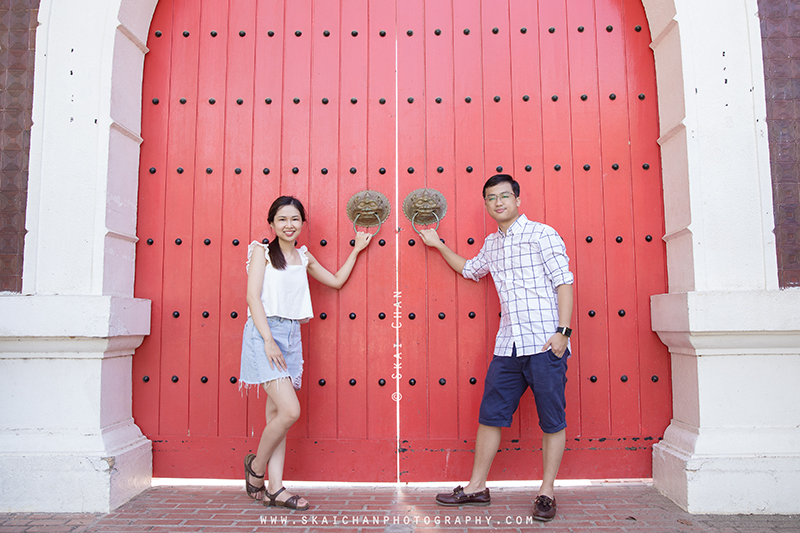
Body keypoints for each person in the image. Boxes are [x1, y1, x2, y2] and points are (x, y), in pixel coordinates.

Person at [419, 174, 574, 522]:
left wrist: (563, 332)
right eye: (491, 198)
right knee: (490, 416)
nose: (498, 202)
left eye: (504, 196)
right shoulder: (492, 244)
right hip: (508, 346)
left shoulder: (542, 234)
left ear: (517, 200)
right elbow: (471, 270)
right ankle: (476, 487)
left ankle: (547, 492)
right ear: (486, 204)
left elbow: (564, 282)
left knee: (552, 419)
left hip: (545, 343)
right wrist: (438, 244)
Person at [241, 196, 372, 510]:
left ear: (302, 223)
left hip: (291, 336)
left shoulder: (304, 257)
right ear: (271, 223)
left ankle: (275, 488)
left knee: (277, 417)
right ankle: (256, 468)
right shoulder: (261, 252)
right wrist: (268, 340)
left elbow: (336, 281)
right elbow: (253, 297)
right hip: (264, 334)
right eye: (282, 219)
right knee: (290, 411)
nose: (289, 225)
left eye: (295, 219)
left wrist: (356, 249)